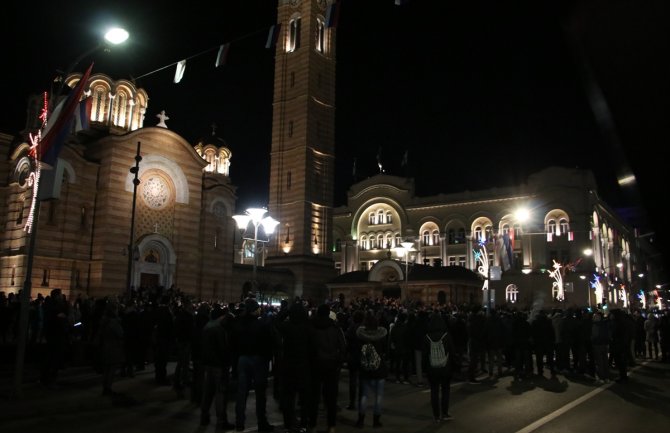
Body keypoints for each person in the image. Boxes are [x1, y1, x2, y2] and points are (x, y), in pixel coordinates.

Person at [231, 298, 275, 432]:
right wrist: (267, 359)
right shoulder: (261, 325)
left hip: (243, 359)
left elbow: (234, 344)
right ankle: (262, 422)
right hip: (258, 360)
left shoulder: (238, 324)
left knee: (241, 392)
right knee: (260, 393)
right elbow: (268, 344)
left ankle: (239, 422)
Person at [309, 304, 346, 433]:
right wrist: (338, 362)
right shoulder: (335, 327)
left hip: (315, 365)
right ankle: (331, 425)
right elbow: (342, 346)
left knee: (314, 397)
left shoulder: (311, 326)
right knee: (331, 398)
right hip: (331, 365)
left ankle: (312, 425)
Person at [200, 304, 235, 430]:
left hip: (208, 364)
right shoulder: (219, 329)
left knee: (207, 392)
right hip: (219, 366)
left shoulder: (207, 326)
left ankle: (204, 416)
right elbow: (223, 349)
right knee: (220, 394)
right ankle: (221, 421)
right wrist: (227, 362)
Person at [356, 310, 388, 428]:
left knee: (364, 395)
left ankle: (360, 420)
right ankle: (376, 421)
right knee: (378, 396)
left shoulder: (361, 336)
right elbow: (385, 351)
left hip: (365, 368)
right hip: (379, 369)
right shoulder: (381, 337)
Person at [423, 312, 456, 423]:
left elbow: (425, 355)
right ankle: (445, 413)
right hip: (445, 367)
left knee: (434, 391)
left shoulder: (427, 337)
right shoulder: (446, 336)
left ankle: (436, 415)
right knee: (446, 390)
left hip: (432, 368)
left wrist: (425, 369)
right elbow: (452, 352)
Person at [99, 300, 125, 396]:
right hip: (113, 347)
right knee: (111, 369)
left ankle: (105, 387)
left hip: (106, 346)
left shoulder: (104, 320)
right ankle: (108, 388)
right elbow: (121, 334)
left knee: (106, 369)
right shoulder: (113, 322)